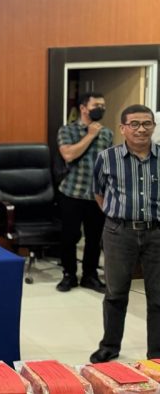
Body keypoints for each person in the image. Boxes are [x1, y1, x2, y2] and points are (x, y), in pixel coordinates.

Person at [90, 104, 160, 363]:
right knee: (115, 293)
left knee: (158, 297)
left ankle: (156, 354)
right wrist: (118, 215)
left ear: (153, 126)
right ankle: (109, 347)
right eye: (134, 124)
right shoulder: (106, 158)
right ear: (123, 128)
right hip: (119, 232)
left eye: (147, 123)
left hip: (157, 233)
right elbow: (98, 193)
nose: (141, 129)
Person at [56, 92, 113, 292]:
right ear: (83, 108)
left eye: (103, 105)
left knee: (94, 238)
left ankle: (90, 275)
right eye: (96, 105)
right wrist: (90, 135)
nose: (101, 109)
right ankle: (69, 274)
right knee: (69, 236)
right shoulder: (67, 130)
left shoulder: (107, 133)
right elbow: (68, 155)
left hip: (97, 195)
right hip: (72, 192)